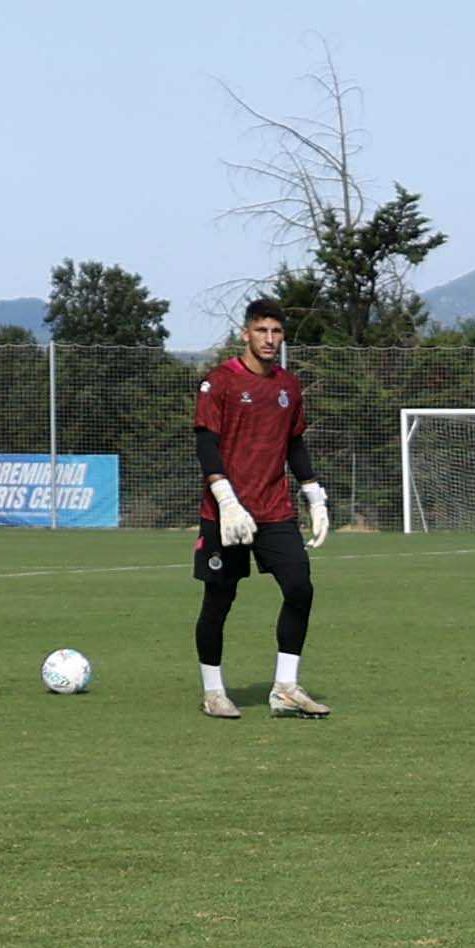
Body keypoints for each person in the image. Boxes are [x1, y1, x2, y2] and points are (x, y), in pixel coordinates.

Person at [191, 298, 331, 719]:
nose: (269, 339)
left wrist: (314, 494)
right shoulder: (220, 382)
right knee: (219, 600)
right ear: (246, 334)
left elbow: (294, 443)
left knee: (300, 588)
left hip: (274, 510)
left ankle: (285, 688)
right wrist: (226, 499)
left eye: (276, 331)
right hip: (226, 512)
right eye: (261, 331)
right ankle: (214, 692)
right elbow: (206, 444)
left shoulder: (289, 386)